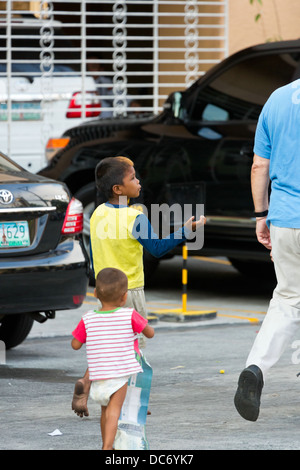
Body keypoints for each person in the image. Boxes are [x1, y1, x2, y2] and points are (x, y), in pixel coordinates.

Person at [72, 155, 206, 418]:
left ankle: (87, 383)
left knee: (109, 343)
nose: (139, 181)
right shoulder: (135, 217)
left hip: (103, 290)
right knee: (132, 348)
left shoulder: (98, 213)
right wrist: (184, 230)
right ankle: (132, 401)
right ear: (118, 189)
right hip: (128, 291)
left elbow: (92, 250)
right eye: (132, 178)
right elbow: (156, 249)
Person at [234, 79, 300, 421]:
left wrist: (262, 215)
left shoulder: (276, 98)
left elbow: (260, 165)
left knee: (289, 298)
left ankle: (256, 368)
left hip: (285, 218)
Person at [71, 267, 155, 450]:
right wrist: (139, 326)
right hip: (119, 374)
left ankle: (107, 444)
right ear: (124, 297)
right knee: (114, 411)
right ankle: (107, 447)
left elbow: (75, 345)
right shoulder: (129, 315)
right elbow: (150, 333)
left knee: (105, 411)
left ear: (94, 293)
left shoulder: (88, 318)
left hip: (97, 374)